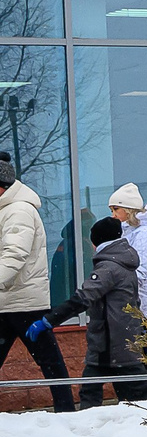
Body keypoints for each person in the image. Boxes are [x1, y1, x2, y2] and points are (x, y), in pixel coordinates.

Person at [44, 217, 147, 404]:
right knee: (125, 390)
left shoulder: (108, 267)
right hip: (118, 337)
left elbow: (83, 297)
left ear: (96, 242)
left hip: (111, 341)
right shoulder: (123, 262)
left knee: (136, 387)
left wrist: (49, 320)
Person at [0, 153, 74, 412]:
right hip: (8, 301)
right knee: (51, 363)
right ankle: (66, 410)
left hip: (24, 303)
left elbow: (14, 255)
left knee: (50, 363)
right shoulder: (6, 210)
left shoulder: (18, 210)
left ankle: (67, 414)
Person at [109, 183, 147, 322]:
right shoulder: (130, 233)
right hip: (138, 308)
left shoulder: (145, 234)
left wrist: (113, 288)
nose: (113, 215)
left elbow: (138, 272)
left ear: (128, 209)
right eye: (112, 210)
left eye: (116, 209)